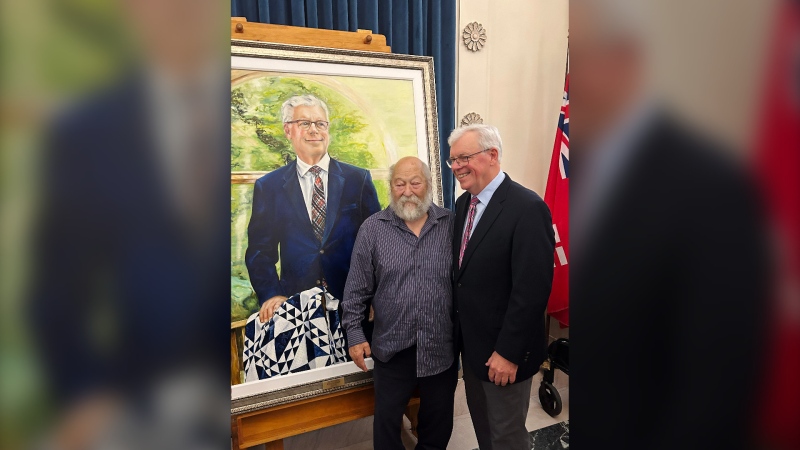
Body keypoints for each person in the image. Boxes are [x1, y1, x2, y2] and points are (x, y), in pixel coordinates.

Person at [569, 2, 767, 449]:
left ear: (626, 59)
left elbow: (717, 384)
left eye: (580, 58)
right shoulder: (580, 166)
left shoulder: (710, 186)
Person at [448, 124, 555, 450]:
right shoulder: (464, 204)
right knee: (485, 434)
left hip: (504, 353)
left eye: (464, 157)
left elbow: (532, 290)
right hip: (473, 348)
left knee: (507, 438)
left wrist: (508, 353)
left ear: (492, 155)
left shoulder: (527, 207)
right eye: (452, 160)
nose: (456, 167)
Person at [342, 157, 458, 450]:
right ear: (391, 187)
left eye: (415, 182)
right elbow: (356, 290)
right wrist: (355, 336)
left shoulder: (451, 225)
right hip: (392, 348)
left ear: (428, 185)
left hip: (440, 346)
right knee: (387, 424)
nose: (407, 190)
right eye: (399, 183)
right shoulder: (372, 229)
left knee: (438, 424)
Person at [245, 95, 381, 331]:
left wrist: (376, 295)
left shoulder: (358, 179)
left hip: (356, 306)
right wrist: (271, 294)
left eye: (320, 123)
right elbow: (260, 251)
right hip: (295, 309)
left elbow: (378, 244)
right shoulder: (269, 186)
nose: (314, 130)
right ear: (288, 130)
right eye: (305, 123)